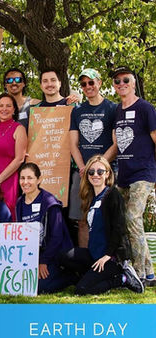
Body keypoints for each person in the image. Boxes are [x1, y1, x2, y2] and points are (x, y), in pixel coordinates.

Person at [59, 155, 144, 295]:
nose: (95, 175)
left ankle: (121, 279)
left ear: (107, 174)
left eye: (100, 171)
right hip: (94, 255)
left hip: (110, 258)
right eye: (91, 172)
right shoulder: (91, 197)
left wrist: (107, 256)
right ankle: (91, 275)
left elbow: (119, 229)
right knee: (63, 256)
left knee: (81, 290)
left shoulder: (112, 195)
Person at [111, 66, 156, 285]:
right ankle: (148, 273)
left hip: (144, 173)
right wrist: (97, 162)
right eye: (117, 81)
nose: (121, 84)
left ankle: (138, 272)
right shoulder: (117, 111)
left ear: (133, 82)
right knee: (121, 219)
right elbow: (116, 144)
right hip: (123, 175)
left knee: (132, 217)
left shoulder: (146, 108)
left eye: (125, 80)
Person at [69, 68, 117, 247]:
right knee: (82, 221)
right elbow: (73, 143)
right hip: (81, 173)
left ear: (100, 83)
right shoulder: (77, 110)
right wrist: (83, 168)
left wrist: (99, 167)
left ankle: (109, 264)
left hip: (105, 173)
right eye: (83, 84)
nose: (88, 86)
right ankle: (86, 266)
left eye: (91, 82)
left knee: (107, 221)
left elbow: (116, 143)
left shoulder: (112, 108)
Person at [16, 163, 74, 293]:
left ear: (39, 180)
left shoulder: (49, 202)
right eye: (22, 178)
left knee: (40, 287)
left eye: (30, 178)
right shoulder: (19, 203)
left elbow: (57, 236)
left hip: (54, 255)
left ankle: (72, 276)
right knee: (23, 283)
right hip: (32, 256)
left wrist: (43, 261)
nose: (25, 182)